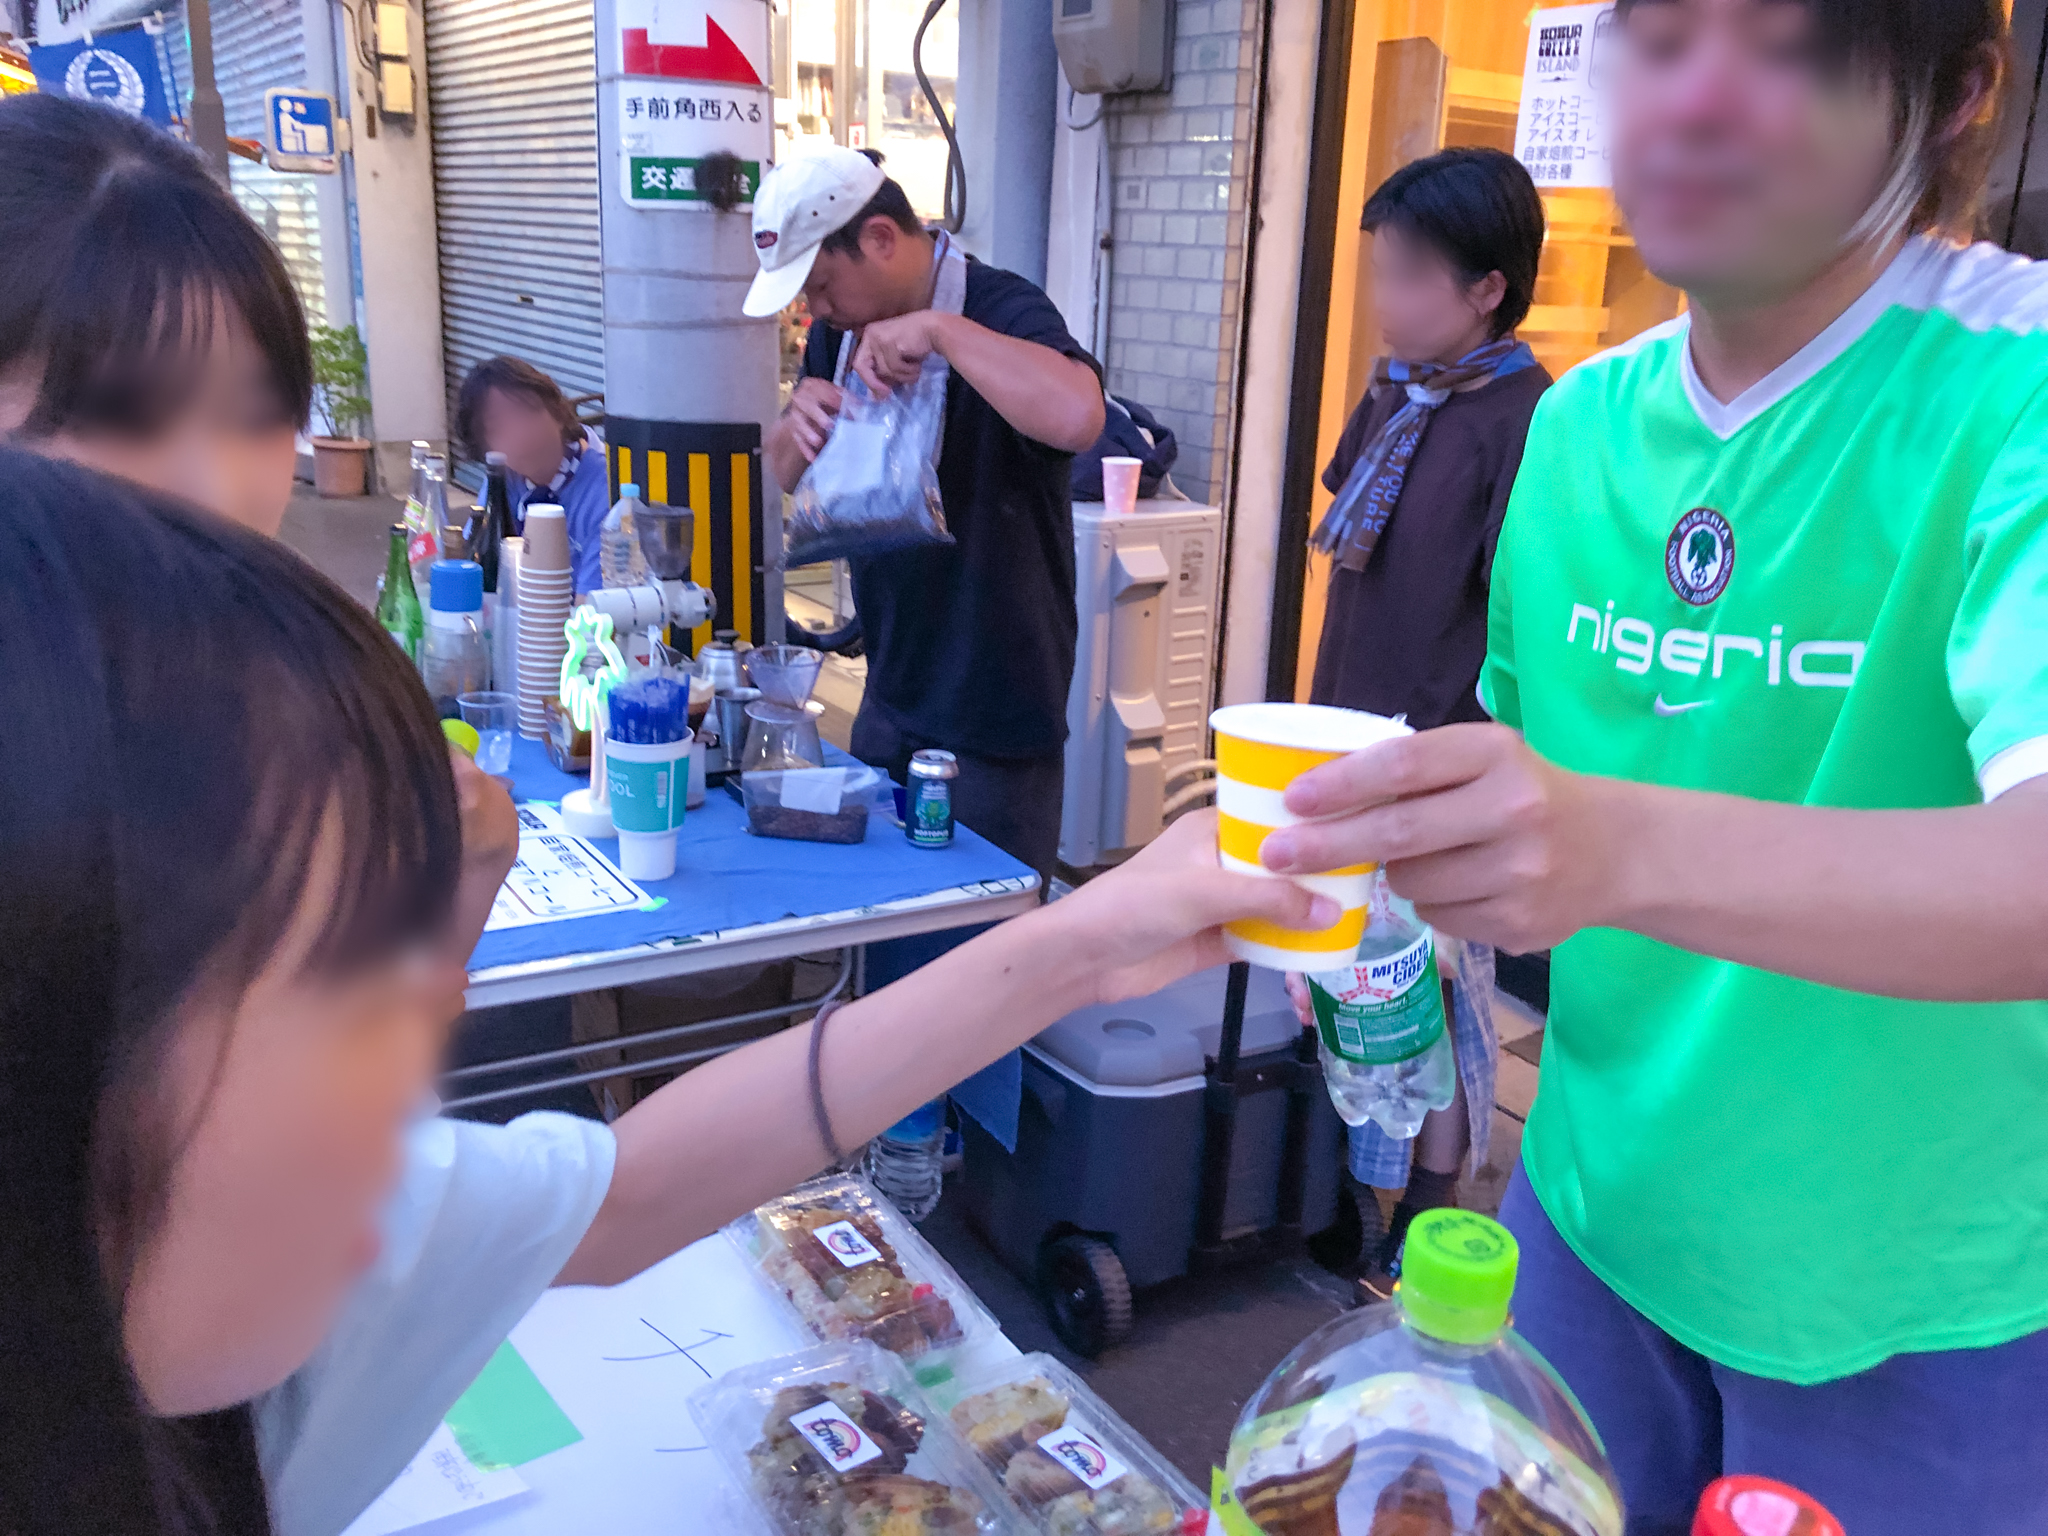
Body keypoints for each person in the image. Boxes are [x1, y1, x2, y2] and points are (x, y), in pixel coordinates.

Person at [0, 447, 1330, 1536]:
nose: (436, 1028)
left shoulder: (239, 1279)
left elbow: (630, 1192)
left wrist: (1093, 939)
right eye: (334, 980)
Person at [1253, 2, 2048, 1529]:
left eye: (1792, 48)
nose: (1693, 102)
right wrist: (1395, 894)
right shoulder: (1589, 417)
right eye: (1659, 39)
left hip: (1916, 1296)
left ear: (1956, 96)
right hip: (1588, 1220)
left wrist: (1606, 847)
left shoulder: (2013, 386)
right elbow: (1528, 761)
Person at [0, 93, 518, 963]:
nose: (217, 487)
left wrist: (462, 885)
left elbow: (334, 1082)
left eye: (255, 413)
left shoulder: (264, 698)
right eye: (124, 417)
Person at [1285, 147, 1549, 1300]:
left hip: (1438, 747)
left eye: (1407, 275)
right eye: (1378, 272)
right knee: (1348, 967)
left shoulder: (1528, 417)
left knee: (1434, 988)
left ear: (1486, 286)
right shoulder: (1400, 387)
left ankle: (1429, 1206)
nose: (1383, 303)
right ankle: (1355, 1182)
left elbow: (1520, 612)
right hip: (1350, 721)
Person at [751, 146, 1106, 882]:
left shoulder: (1004, 307)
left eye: (821, 285)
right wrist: (794, 425)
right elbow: (783, 476)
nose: (816, 311)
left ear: (880, 239)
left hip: (997, 702)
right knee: (886, 916)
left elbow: (1079, 416)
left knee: (990, 938)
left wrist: (942, 332)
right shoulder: (837, 335)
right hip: (891, 683)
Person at [453, 355, 610, 592]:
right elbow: (474, 569)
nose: (520, 436)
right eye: (499, 428)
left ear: (557, 414)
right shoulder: (503, 477)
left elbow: (591, 616)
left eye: (528, 414)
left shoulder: (605, 487)